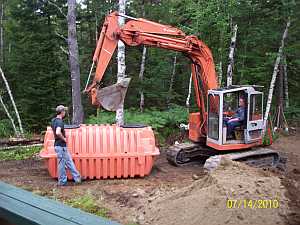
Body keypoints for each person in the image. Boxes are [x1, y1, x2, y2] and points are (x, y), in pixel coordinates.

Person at [51, 105, 81, 186]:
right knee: (62, 164)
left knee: (69, 162)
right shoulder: (59, 122)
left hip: (59, 146)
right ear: (62, 112)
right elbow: (57, 132)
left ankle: (77, 179)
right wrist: (64, 139)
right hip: (61, 146)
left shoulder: (53, 121)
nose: (65, 113)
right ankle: (62, 182)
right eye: (64, 111)